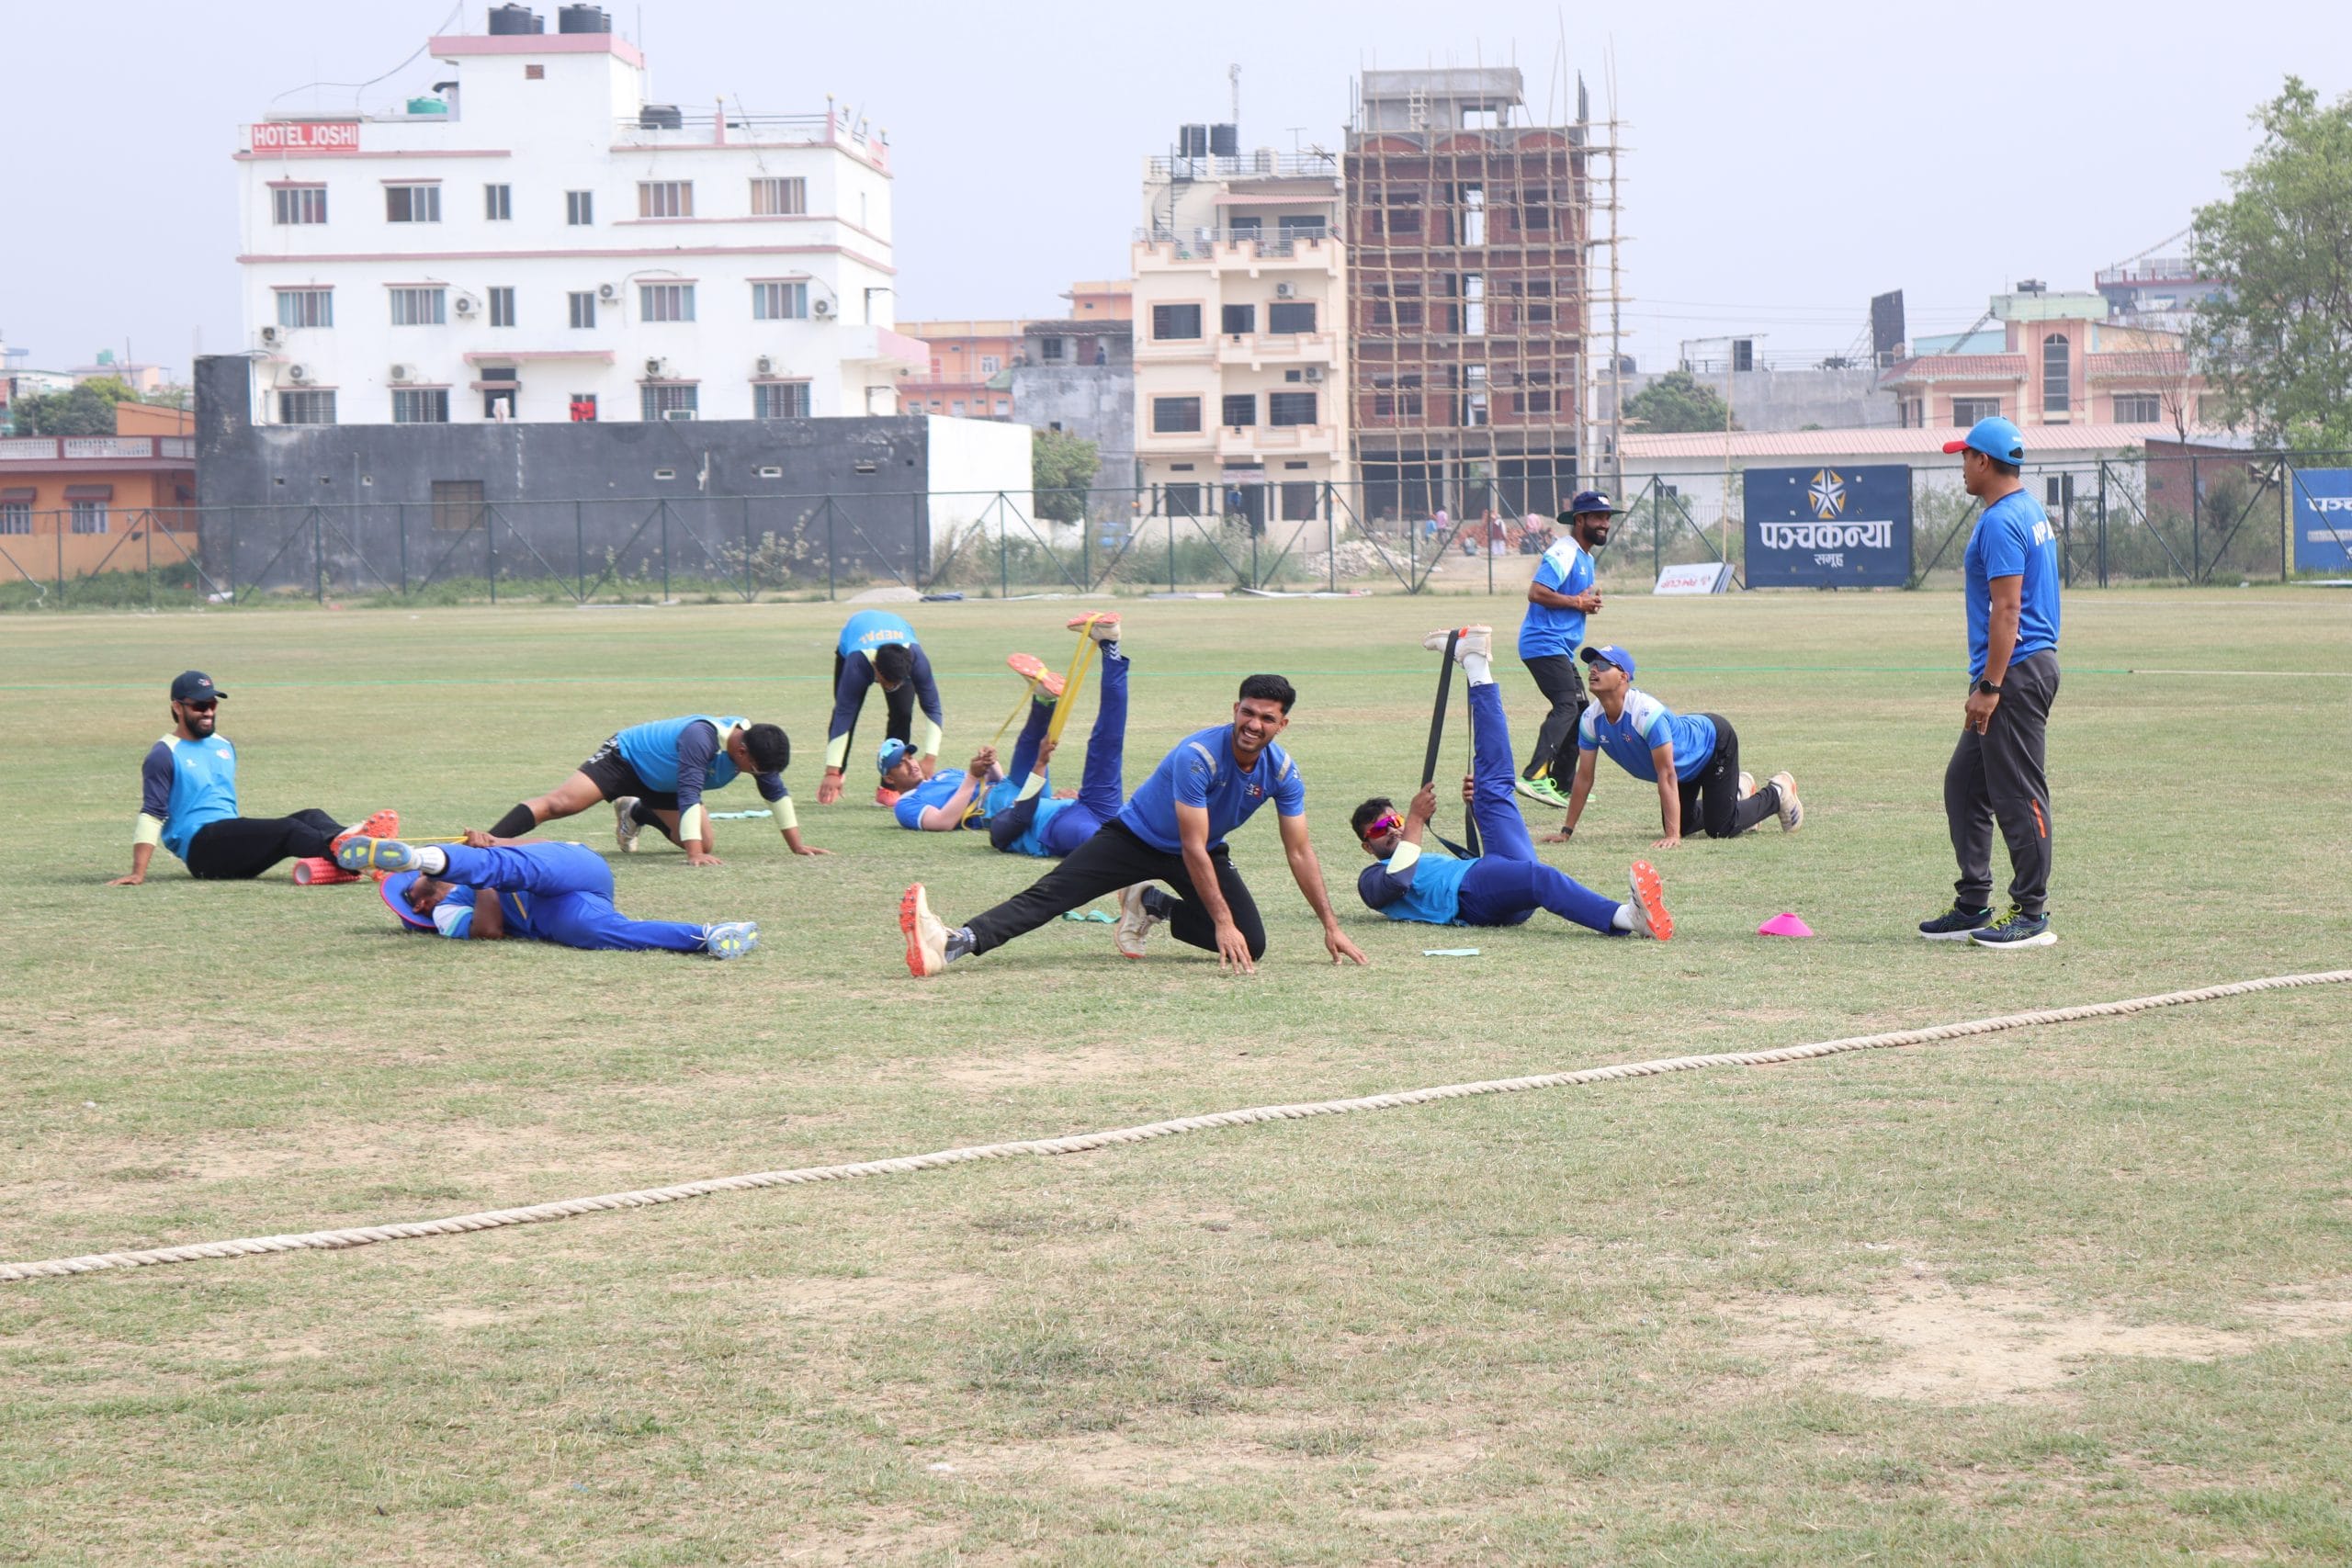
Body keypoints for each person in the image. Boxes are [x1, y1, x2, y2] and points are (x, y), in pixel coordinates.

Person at [899, 673, 1370, 976]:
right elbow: (1190, 844)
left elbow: (1299, 851)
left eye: (1267, 718)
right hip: (1135, 838)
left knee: (1253, 944)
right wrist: (1222, 922)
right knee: (1051, 894)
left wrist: (1330, 926)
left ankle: (1152, 904)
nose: (1253, 724)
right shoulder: (1197, 756)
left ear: (1282, 725)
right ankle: (955, 942)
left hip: (1203, 849)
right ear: (1235, 709)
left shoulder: (1283, 772)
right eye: (1247, 712)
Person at [1352, 626, 1673, 941]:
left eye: (1395, 821)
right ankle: (1626, 917)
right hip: (1470, 898)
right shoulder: (1371, 879)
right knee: (1541, 877)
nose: (1392, 829)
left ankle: (1476, 663)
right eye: (1379, 829)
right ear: (1368, 846)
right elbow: (1399, 882)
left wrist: (1477, 807)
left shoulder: (1416, 855)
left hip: (1488, 876)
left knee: (1491, 788)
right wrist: (1416, 820)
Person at [1920, 415, 2062, 949]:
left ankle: (2031, 912)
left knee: (2018, 793)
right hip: (2016, 669)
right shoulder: (2027, 509)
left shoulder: (2002, 521)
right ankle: (1973, 903)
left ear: (1983, 461)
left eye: (1965, 456)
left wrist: (1990, 687)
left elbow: (2008, 610)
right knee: (1964, 785)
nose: (1960, 465)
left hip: (2014, 674)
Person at [111, 670, 397, 885]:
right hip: (203, 850)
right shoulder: (164, 753)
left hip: (228, 836)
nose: (208, 712)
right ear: (177, 707)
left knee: (312, 815)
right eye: (199, 706)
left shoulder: (224, 745)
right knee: (289, 829)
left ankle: (356, 846)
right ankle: (358, 853)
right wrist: (138, 873)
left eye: (212, 704)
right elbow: (152, 814)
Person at [342, 831, 759, 959]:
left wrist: (498, 843)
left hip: (575, 865)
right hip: (552, 909)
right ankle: (709, 936)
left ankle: (421, 854)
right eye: (413, 879)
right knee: (597, 931)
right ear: (421, 903)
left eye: (414, 872)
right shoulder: (445, 913)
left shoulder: (488, 863)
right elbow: (489, 931)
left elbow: (542, 849)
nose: (414, 880)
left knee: (510, 866)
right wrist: (482, 872)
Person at [1557, 644, 1803, 848]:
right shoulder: (1590, 719)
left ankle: (1777, 793)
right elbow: (1584, 777)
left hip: (1712, 744)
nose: (1593, 670)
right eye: (1592, 665)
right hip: (1684, 764)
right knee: (1682, 824)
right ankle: (1735, 795)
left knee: (1721, 828)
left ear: (1623, 677)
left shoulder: (1645, 714)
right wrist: (1567, 831)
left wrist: (1672, 837)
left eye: (1603, 665)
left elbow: (1667, 773)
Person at [485, 716, 816, 866]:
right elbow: (690, 794)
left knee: (704, 841)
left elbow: (776, 794)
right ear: (742, 752)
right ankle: (486, 843)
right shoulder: (702, 738)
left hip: (662, 783)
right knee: (560, 804)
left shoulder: (755, 749)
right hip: (624, 759)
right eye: (756, 769)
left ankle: (636, 811)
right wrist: (693, 855)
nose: (759, 776)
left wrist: (797, 846)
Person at [980, 614, 1132, 859]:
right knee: (1107, 744)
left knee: (1106, 743)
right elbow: (1022, 815)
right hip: (1059, 825)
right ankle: (1110, 647)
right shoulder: (998, 833)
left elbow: (1024, 810)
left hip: (1082, 810)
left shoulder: (1007, 813)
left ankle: (1110, 645)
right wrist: (1041, 763)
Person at [1516, 490, 1617, 807]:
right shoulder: (1564, 551)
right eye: (1598, 517)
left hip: (1557, 645)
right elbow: (1536, 592)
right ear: (1580, 520)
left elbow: (1571, 600)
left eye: (1607, 518)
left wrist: (1585, 604)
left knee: (1581, 711)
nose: (1605, 524)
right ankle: (1534, 776)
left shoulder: (1586, 558)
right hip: (1542, 642)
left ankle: (1561, 783)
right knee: (1566, 706)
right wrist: (1577, 602)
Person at [820, 609, 945, 807]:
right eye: (887, 682)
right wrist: (832, 771)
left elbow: (933, 708)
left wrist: (930, 757)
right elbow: (844, 714)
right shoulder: (858, 663)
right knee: (846, 712)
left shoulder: (916, 659)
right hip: (855, 642)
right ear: (875, 666)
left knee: (903, 713)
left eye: (897, 682)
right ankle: (838, 773)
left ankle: (889, 787)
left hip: (896, 644)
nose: (892, 687)